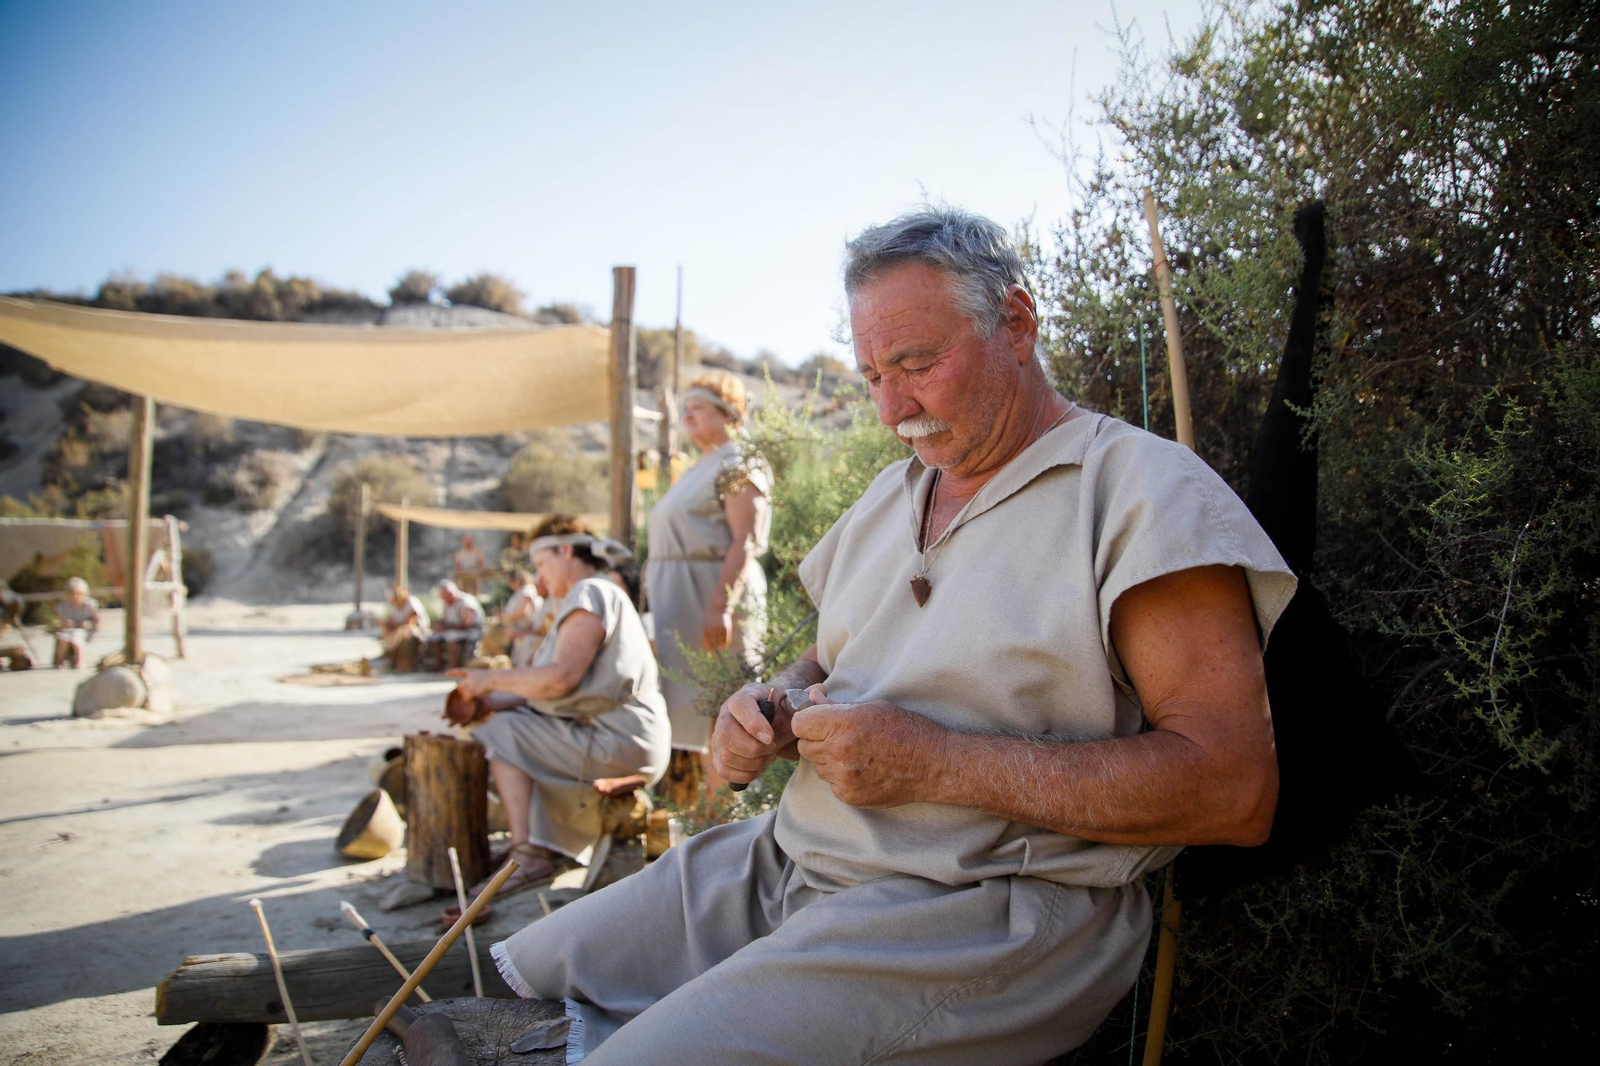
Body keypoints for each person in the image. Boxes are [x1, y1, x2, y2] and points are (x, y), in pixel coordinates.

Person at [488, 207, 1297, 1063]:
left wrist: (939, 764)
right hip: (789, 858)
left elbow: (1233, 789)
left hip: (982, 907)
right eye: (871, 373)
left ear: (1016, 324)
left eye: (917, 364)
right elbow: (834, 657)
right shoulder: (891, 492)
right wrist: (769, 706)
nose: (891, 408)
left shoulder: (1136, 490)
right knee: (520, 978)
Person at [448, 515, 670, 894]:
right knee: (502, 718)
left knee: (498, 732)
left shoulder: (589, 592)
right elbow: (557, 688)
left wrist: (490, 680)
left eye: (540, 563)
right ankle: (542, 844)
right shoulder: (595, 593)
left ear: (565, 550)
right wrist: (491, 699)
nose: (539, 577)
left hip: (619, 739)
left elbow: (561, 678)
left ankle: (529, 854)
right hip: (620, 734)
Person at [644, 370, 773, 779]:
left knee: (726, 714)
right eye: (686, 408)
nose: (688, 414)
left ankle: (731, 828)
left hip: (713, 597)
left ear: (728, 414)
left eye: (699, 407)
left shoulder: (738, 459)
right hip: (681, 599)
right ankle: (706, 828)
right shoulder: (700, 465)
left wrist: (721, 605)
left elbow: (745, 539)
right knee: (697, 717)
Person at [428, 579, 484, 671]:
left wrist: (445, 627)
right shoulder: (447, 603)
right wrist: (438, 625)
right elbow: (445, 619)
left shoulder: (465, 601)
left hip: (472, 631)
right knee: (433, 637)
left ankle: (454, 667)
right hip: (453, 629)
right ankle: (439, 665)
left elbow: (466, 625)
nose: (445, 600)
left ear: (452, 594)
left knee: (452, 638)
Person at [500, 568, 546, 667]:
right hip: (522, 634)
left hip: (527, 633)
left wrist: (504, 617)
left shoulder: (527, 590)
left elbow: (524, 612)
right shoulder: (522, 591)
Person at [379, 584, 430, 672]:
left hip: (417, 630)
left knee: (406, 636)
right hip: (401, 629)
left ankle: (406, 665)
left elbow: (410, 622)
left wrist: (394, 624)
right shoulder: (395, 605)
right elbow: (391, 620)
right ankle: (392, 663)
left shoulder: (411, 602)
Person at [52, 576, 99, 669]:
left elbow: (96, 621)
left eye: (78, 594)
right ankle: (59, 660)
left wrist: (88, 624)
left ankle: (79, 660)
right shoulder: (64, 606)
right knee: (63, 637)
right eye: (72, 594)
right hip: (68, 629)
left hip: (85, 630)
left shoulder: (89, 605)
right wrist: (65, 623)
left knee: (77, 636)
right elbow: (57, 622)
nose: (75, 596)